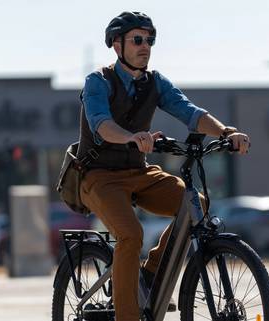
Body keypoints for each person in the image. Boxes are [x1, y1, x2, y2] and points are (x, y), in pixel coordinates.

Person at [77, 11, 250, 321]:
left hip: (138, 172)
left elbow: (190, 112)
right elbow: (101, 124)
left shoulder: (155, 83)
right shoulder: (98, 82)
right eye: (138, 40)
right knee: (131, 233)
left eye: (150, 40)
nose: (146, 46)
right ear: (117, 45)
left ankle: (150, 273)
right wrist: (131, 137)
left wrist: (227, 132)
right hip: (98, 176)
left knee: (194, 204)